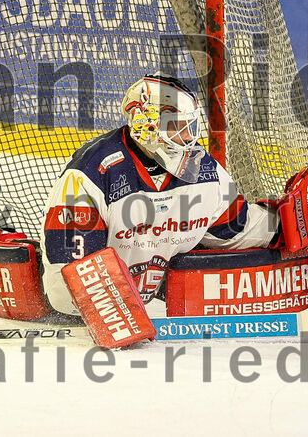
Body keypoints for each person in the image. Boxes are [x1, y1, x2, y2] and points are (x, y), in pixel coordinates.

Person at [40, 75, 285, 315]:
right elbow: (70, 274)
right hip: (80, 317)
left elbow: (237, 228)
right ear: (146, 125)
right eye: (178, 126)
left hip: (138, 306)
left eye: (190, 126)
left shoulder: (203, 168)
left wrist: (287, 222)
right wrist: (110, 314)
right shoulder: (91, 173)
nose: (189, 137)